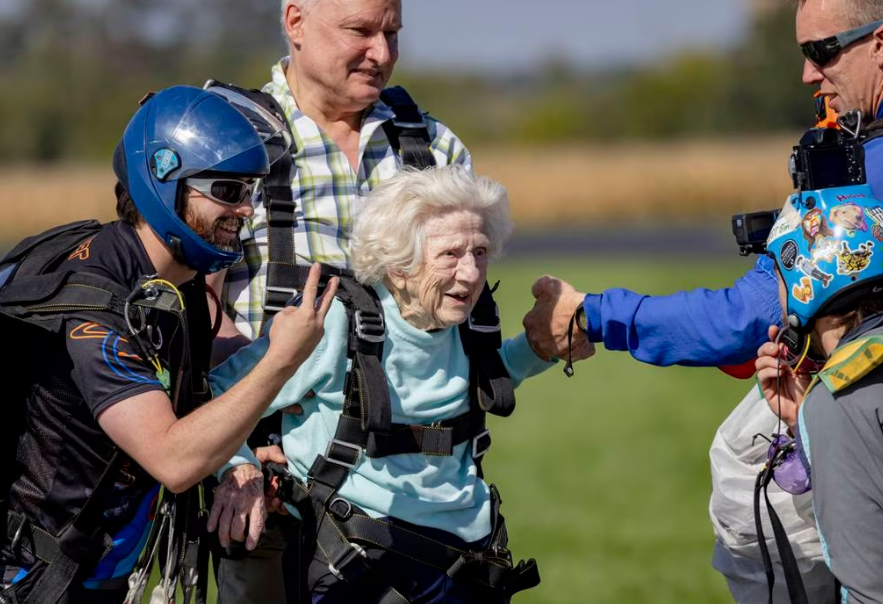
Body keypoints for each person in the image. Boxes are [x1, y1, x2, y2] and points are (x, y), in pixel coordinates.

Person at [522, 1, 883, 601]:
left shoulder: (868, 167)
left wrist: (593, 314)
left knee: (749, 470)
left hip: (859, 406)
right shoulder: (855, 140)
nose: (808, 75)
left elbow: (746, 318)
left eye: (822, 52)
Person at [0, 85, 337, 604]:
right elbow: (173, 459)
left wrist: (242, 457)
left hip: (92, 576)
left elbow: (197, 387)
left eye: (251, 191)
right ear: (164, 179)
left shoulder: (167, 284)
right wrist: (282, 358)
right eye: (227, 190)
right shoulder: (95, 310)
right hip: (37, 584)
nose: (246, 210)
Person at [207, 0, 472, 600]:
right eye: (360, 30)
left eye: (392, 32)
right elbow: (201, 318)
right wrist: (236, 459)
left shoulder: (433, 150)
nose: (382, 53)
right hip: (271, 494)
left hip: (415, 496)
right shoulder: (228, 141)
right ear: (295, 21)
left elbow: (459, 328)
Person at [210, 166, 562, 604]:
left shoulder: (470, 317)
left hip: (472, 554)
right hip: (358, 559)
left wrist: (542, 346)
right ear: (398, 266)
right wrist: (237, 468)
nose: (471, 274)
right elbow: (218, 394)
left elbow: (478, 384)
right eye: (450, 254)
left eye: (481, 252)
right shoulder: (334, 323)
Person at [757, 186, 883, 603]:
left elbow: (869, 586)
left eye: (776, 278)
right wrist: (802, 424)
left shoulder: (838, 401)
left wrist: (818, 416)